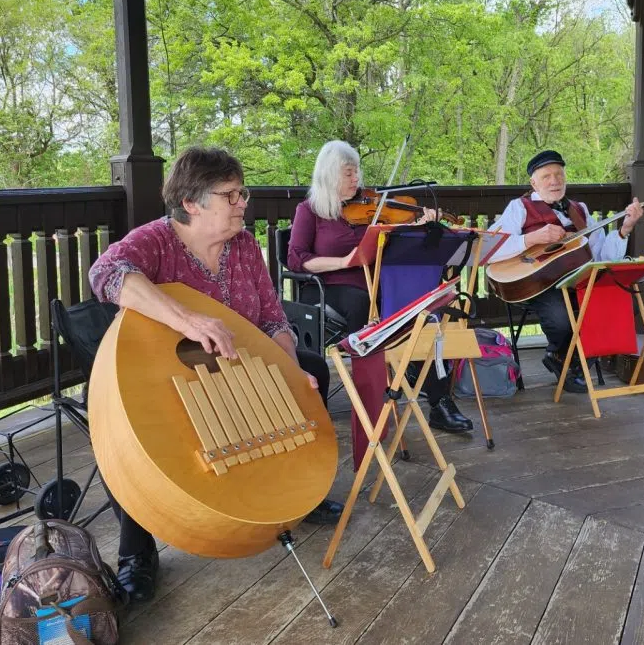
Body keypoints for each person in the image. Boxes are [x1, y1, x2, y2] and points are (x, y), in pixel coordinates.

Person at [87, 146, 343, 603]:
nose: (242, 202)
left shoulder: (244, 247)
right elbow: (106, 272)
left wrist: (290, 371)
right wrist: (188, 320)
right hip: (174, 380)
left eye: (241, 192)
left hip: (238, 370)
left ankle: (296, 495)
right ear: (191, 202)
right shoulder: (156, 240)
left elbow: (271, 319)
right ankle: (136, 554)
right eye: (231, 195)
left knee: (312, 372)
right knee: (123, 442)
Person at [286, 139, 473, 434]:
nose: (356, 178)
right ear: (329, 173)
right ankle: (375, 399)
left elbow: (400, 246)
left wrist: (423, 226)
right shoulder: (309, 210)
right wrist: (345, 261)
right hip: (328, 286)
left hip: (379, 284)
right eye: (348, 173)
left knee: (423, 310)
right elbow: (296, 259)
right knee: (363, 304)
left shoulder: (373, 205)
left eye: (356, 171)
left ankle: (439, 402)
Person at [488, 149, 644, 393]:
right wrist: (530, 239)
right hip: (538, 283)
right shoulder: (519, 208)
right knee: (561, 318)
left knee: (622, 303)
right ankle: (563, 357)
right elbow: (492, 249)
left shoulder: (579, 209)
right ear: (533, 182)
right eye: (547, 176)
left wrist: (625, 229)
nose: (554, 181)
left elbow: (602, 256)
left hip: (578, 281)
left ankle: (572, 361)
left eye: (559, 175)